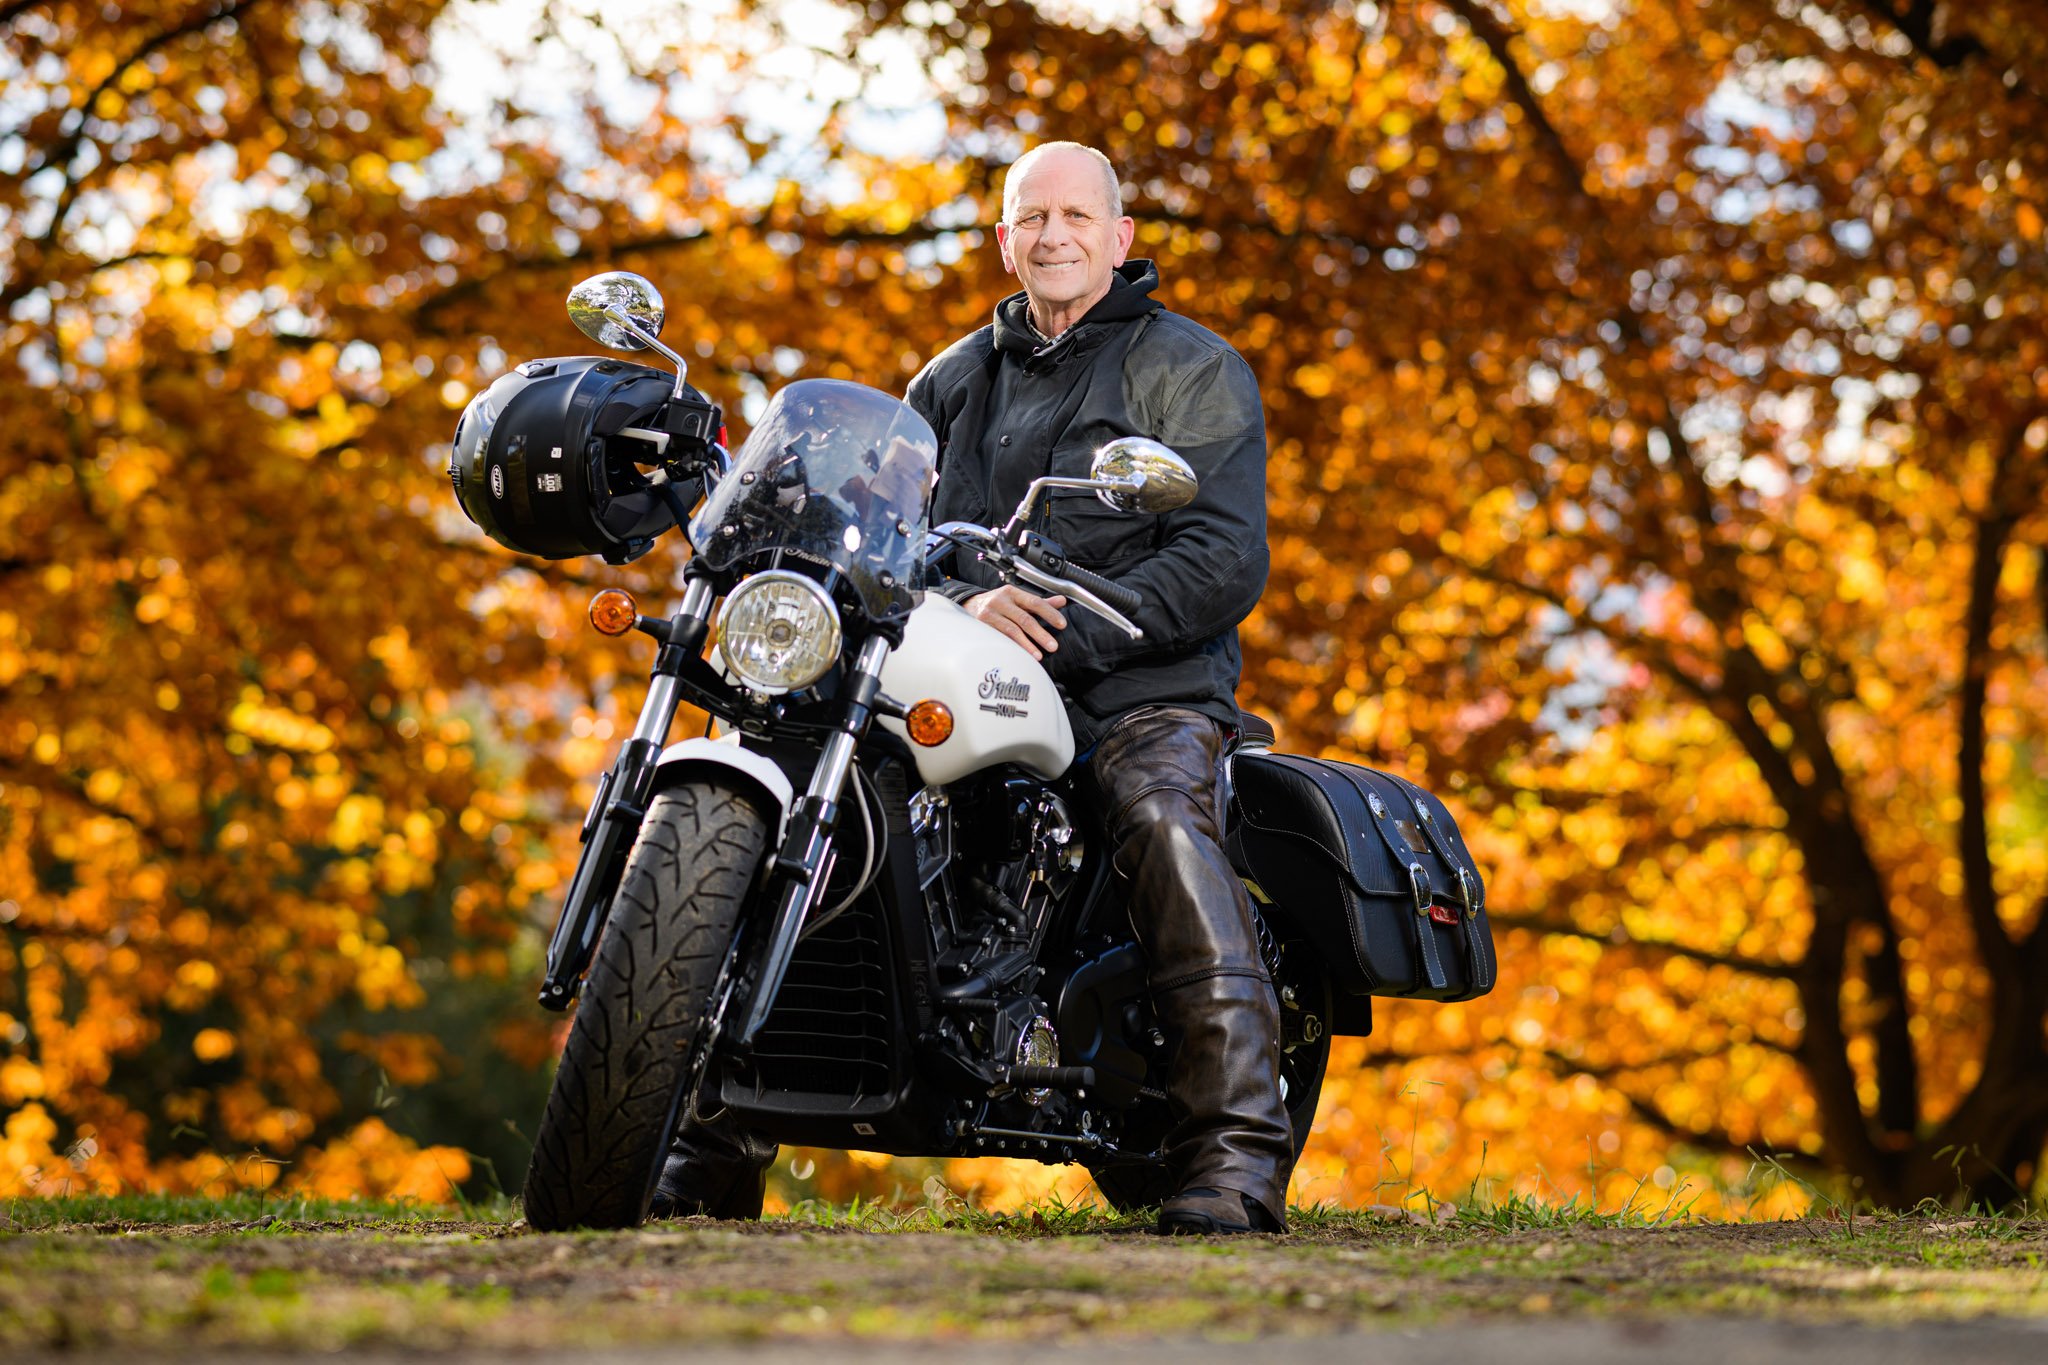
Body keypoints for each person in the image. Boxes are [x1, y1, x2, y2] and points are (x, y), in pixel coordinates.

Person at [653, 142, 1289, 1235]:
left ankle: (1232, 1149)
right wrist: (950, 598)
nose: (1052, 237)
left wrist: (1065, 624)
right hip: (956, 671)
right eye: (1029, 219)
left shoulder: (1190, 369)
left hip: (1137, 685)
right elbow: (889, 533)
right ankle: (707, 1137)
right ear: (1003, 241)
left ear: (1119, 237)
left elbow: (1222, 555)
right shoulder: (948, 380)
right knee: (814, 798)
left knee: (1160, 818)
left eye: (1076, 218)